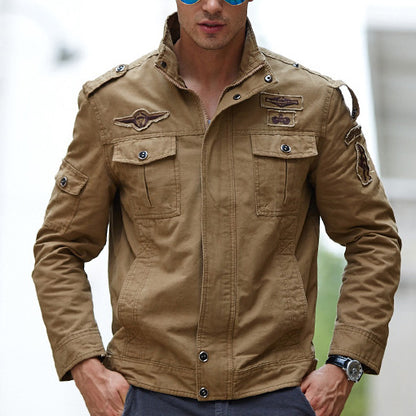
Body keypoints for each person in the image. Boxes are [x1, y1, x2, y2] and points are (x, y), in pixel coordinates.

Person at [32, 1, 401, 415]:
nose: (211, 5)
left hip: (276, 392)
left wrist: (346, 363)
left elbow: (373, 238)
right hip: (148, 393)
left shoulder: (315, 103)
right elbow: (59, 248)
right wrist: (85, 365)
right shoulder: (112, 103)